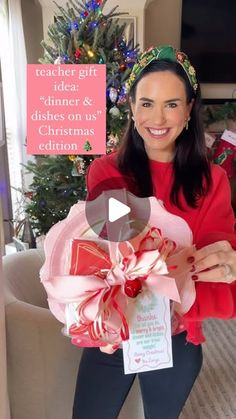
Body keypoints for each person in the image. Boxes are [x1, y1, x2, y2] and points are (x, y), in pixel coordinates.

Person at [72, 45, 236, 419]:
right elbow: (109, 255)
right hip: (114, 333)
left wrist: (228, 264)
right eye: (146, 103)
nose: (157, 118)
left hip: (176, 336)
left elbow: (221, 261)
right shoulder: (106, 173)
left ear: (190, 108)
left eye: (172, 104)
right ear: (130, 107)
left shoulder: (213, 182)